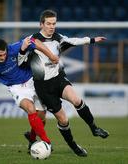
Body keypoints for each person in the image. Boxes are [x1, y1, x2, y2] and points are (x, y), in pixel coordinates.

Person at [23, 10, 109, 157]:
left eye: (54, 24)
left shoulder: (58, 37)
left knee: (77, 100)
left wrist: (92, 40)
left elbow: (74, 41)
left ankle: (94, 128)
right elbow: (22, 53)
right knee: (63, 119)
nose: (52, 27)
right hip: (43, 87)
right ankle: (74, 146)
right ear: (41, 24)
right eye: (48, 24)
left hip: (58, 78)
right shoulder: (31, 40)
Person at [0, 37, 59, 148]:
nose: (3, 57)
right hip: (16, 88)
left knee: (41, 117)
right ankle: (47, 142)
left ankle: (32, 139)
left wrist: (51, 56)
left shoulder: (13, 49)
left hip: (32, 81)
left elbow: (34, 41)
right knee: (31, 109)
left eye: (4, 54)